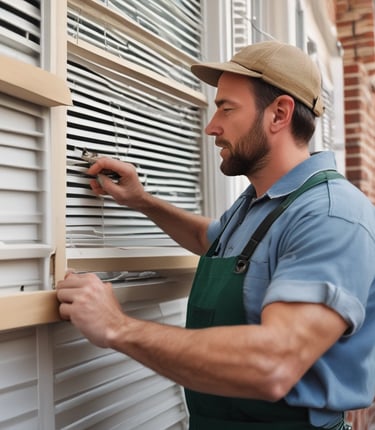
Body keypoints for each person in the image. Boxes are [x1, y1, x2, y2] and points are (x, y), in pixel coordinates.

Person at [56, 40, 375, 429]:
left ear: (279, 113)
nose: (212, 127)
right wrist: (142, 201)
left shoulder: (331, 214)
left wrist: (115, 326)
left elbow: (275, 364)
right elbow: (212, 240)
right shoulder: (260, 202)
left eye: (226, 108)